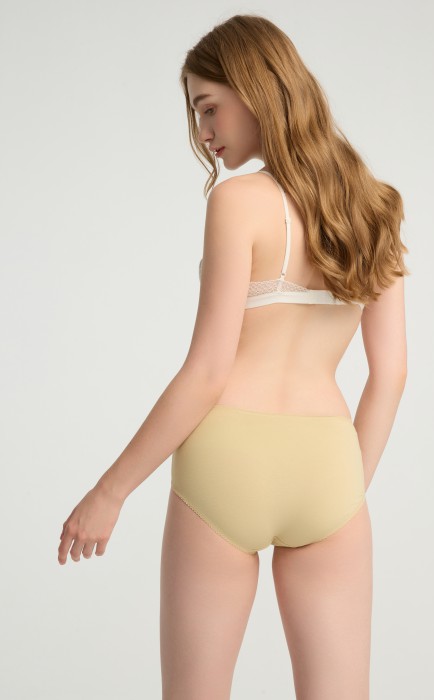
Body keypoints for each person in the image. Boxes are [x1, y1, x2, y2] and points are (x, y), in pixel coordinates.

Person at [58, 13, 409, 700]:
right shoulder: (376, 206)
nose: (203, 131)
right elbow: (390, 374)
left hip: (228, 459)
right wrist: (344, 491)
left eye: (208, 106)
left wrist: (110, 491)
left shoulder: (239, 202)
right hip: (328, 463)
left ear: (255, 89)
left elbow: (208, 371)